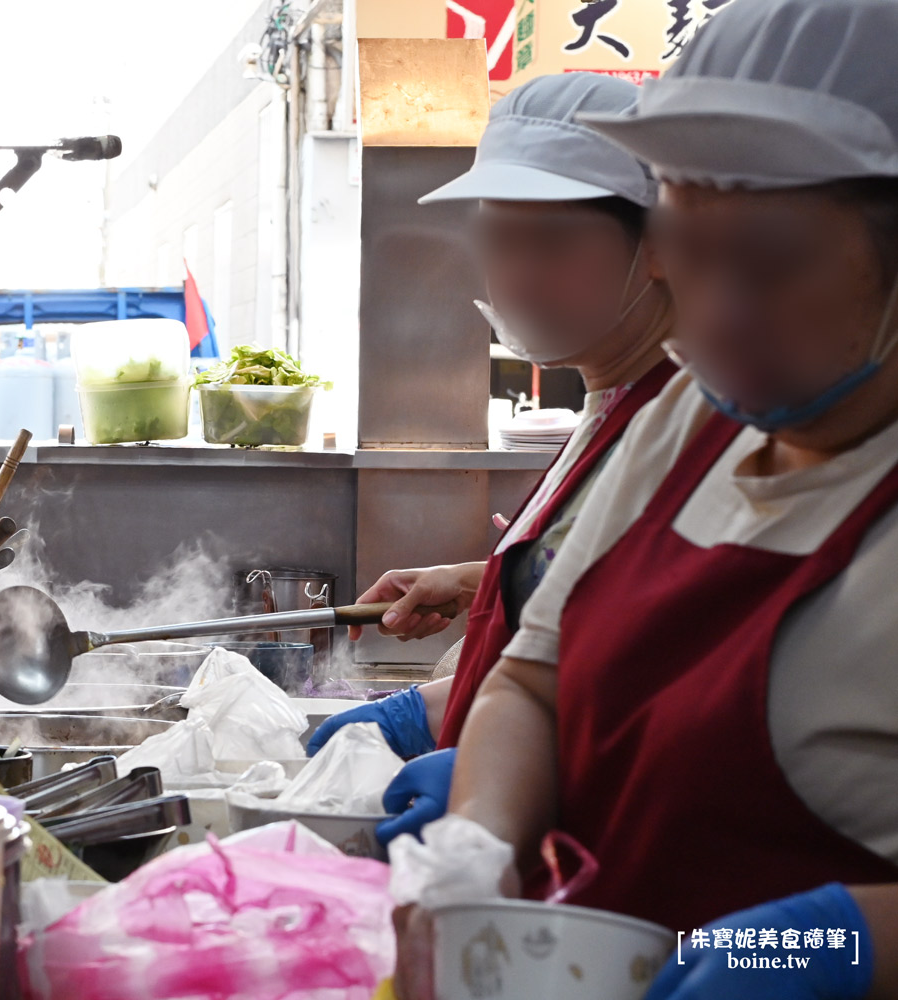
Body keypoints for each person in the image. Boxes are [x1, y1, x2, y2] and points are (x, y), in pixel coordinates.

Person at [440, 2, 898, 997]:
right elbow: (532, 681)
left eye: (772, 261)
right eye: (688, 244)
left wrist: (817, 945)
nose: (719, 308)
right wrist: (479, 839)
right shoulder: (690, 415)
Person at [307, 72, 676, 843]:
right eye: (497, 239)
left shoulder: (680, 422)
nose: (513, 275)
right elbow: (592, 583)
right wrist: (483, 585)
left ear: (659, 247)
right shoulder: (604, 407)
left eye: (550, 242)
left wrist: (446, 726)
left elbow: (654, 674)